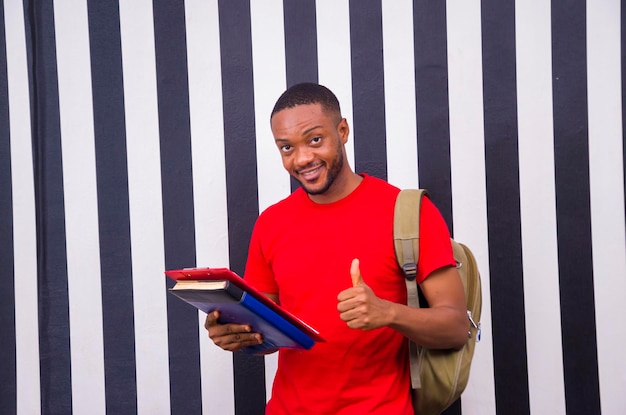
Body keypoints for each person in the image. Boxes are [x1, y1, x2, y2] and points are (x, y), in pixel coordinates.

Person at [205, 83, 469, 414]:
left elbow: (457, 328)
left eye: (315, 140)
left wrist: (387, 312)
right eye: (287, 148)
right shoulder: (271, 224)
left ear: (342, 131)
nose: (302, 158)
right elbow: (266, 332)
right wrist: (235, 334)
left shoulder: (408, 213)